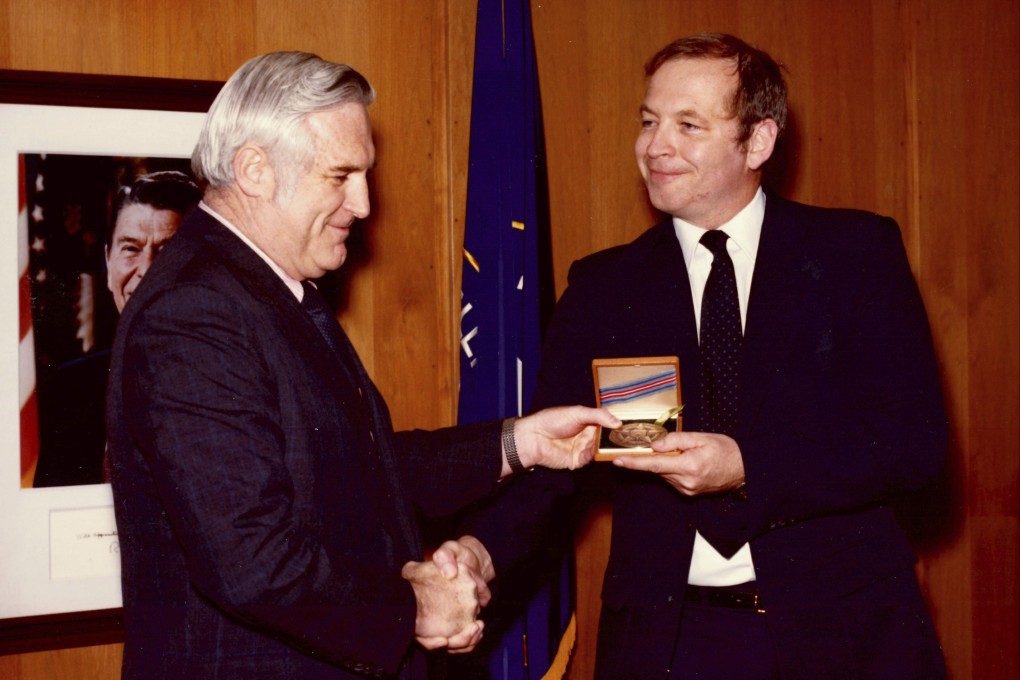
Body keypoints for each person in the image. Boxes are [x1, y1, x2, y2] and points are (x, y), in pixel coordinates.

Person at [105, 51, 619, 680]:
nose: (365, 203)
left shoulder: (266, 290)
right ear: (255, 170)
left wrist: (518, 443)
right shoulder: (194, 310)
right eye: (340, 175)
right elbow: (249, 558)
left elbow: (357, 470)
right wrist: (416, 606)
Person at [461, 33, 949, 678]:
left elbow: (913, 443)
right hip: (670, 640)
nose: (655, 145)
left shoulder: (854, 255)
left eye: (688, 125)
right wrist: (479, 552)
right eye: (648, 121)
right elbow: (557, 466)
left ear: (758, 142)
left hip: (844, 633)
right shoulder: (605, 286)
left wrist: (749, 466)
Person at [33, 170, 199, 487]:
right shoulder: (69, 390)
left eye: (168, 252)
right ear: (108, 265)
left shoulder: (240, 382)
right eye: (131, 248)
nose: (147, 272)